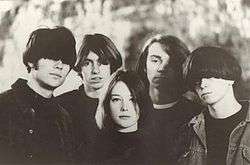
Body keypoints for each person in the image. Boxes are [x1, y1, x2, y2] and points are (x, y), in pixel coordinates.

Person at [0, 26, 77, 164]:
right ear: (31, 60)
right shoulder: (4, 105)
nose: (60, 65)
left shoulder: (63, 118)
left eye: (66, 60)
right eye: (52, 57)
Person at [57, 33, 122, 163]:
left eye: (103, 63)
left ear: (112, 66)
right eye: (88, 63)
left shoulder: (125, 104)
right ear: (79, 67)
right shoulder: (62, 105)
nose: (95, 70)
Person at [136, 34, 201, 163]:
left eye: (171, 63)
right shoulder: (128, 108)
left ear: (181, 69)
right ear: (144, 66)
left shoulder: (197, 114)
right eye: (155, 60)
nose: (162, 68)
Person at [179, 46, 249, 165]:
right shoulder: (188, 131)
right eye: (196, 79)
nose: (202, 84)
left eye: (209, 76)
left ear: (230, 79)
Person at [94, 69, 155, 165]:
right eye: (116, 99)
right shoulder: (95, 148)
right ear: (106, 104)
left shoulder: (155, 147)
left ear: (142, 103)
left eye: (132, 99)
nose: (124, 108)